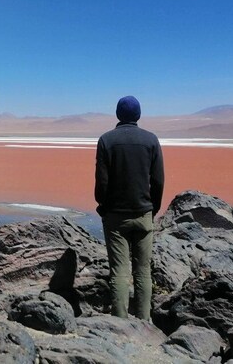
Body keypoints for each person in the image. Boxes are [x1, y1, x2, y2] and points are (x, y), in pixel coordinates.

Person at [95, 95, 164, 320]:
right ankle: (144, 321)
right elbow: (158, 181)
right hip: (143, 213)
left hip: (115, 217)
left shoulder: (106, 140)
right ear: (139, 115)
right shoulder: (151, 140)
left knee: (119, 272)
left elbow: (102, 182)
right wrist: (152, 208)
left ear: (118, 114)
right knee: (143, 272)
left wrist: (103, 205)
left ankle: (120, 324)